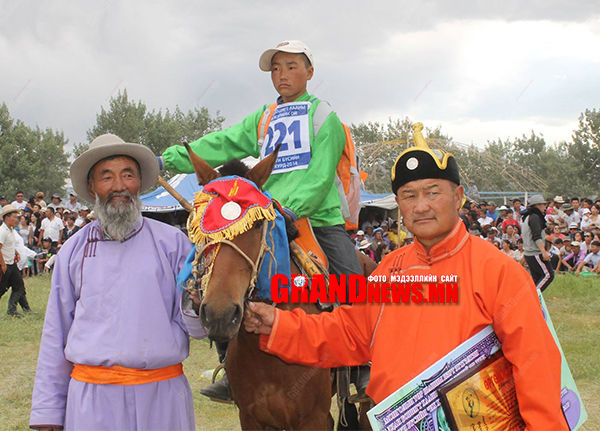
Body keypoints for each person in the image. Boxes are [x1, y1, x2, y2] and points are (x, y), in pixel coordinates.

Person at [244, 124, 568, 430]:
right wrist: (278, 324)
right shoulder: (390, 270)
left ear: (458, 197)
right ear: (399, 204)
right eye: (409, 195)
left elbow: (535, 366)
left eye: (433, 192)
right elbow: (349, 333)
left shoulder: (499, 273)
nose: (421, 206)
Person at [159, 39, 364, 403]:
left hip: (316, 217)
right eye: (276, 68)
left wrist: (290, 208)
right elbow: (222, 143)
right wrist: (168, 159)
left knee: (351, 282)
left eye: (291, 66)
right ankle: (230, 365)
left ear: (309, 72)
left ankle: (363, 366)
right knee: (220, 273)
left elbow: (320, 176)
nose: (282, 75)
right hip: (266, 213)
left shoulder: (325, 117)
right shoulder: (264, 117)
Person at [30, 134, 205, 431]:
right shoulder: (73, 250)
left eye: (128, 175)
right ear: (92, 187)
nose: (119, 185)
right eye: (106, 176)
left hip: (161, 397)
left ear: (140, 183)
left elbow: (197, 329)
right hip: (91, 402)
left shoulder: (174, 244)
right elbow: (55, 332)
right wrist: (48, 412)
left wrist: (199, 303)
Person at [0, 204, 33, 316]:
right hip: (5, 264)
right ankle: (14, 310)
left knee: (19, 287)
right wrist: (3, 264)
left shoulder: (11, 230)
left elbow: (9, 244)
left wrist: (16, 252)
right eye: (14, 217)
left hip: (11, 263)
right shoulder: (2, 231)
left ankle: (18, 310)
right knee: (2, 289)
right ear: (7, 217)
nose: (16, 219)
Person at [521, 194, 555, 292]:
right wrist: (543, 252)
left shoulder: (528, 217)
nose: (545, 207)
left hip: (529, 253)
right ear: (538, 205)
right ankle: (533, 296)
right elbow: (536, 237)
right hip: (535, 252)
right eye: (543, 205)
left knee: (537, 279)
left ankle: (529, 298)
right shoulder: (535, 217)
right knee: (548, 275)